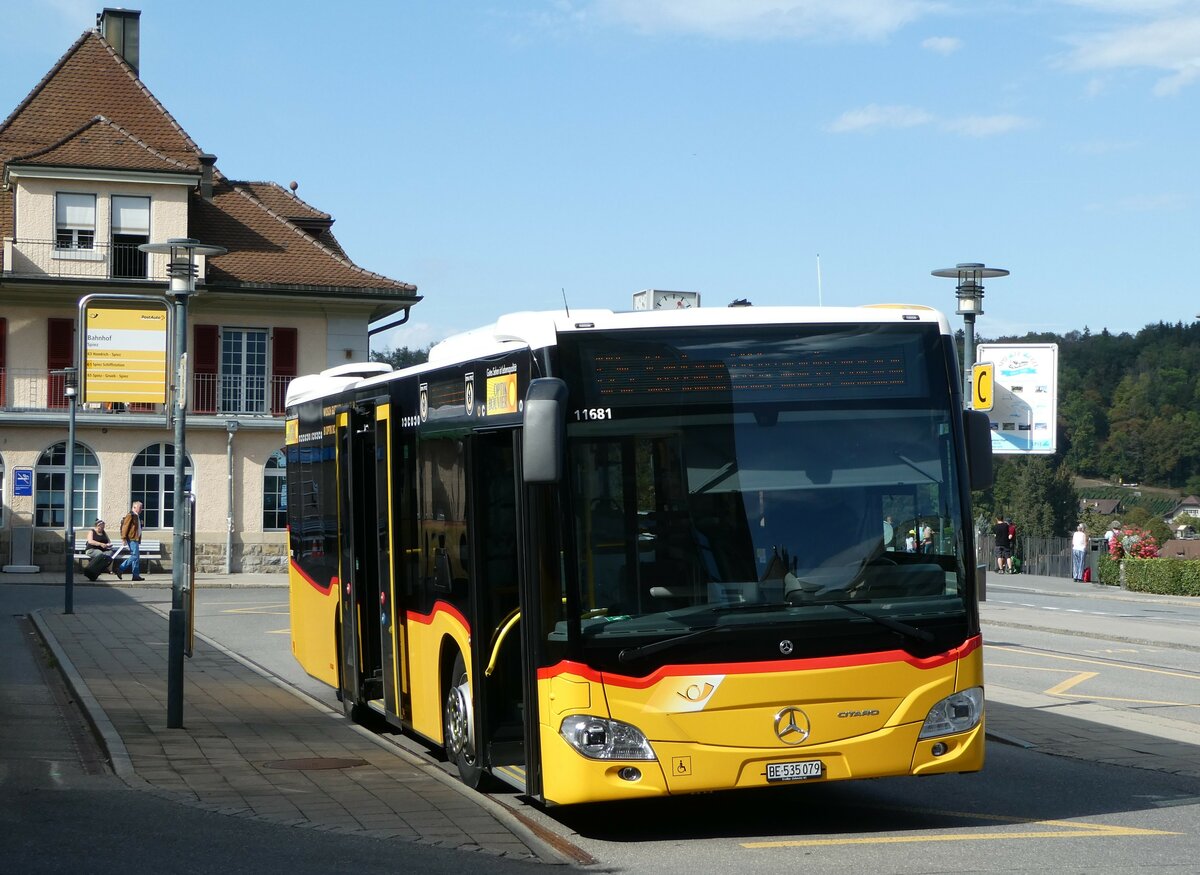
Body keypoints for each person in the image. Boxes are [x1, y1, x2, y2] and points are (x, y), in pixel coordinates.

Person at [116, 500, 145, 581]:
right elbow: (125, 527)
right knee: (134, 556)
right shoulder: (130, 515)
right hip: (132, 538)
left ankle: (135, 575)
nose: (141, 509)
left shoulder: (136, 516)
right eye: (140, 507)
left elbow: (136, 528)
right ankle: (120, 568)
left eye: (141, 507)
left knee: (136, 557)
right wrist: (123, 538)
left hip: (135, 538)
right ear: (134, 507)